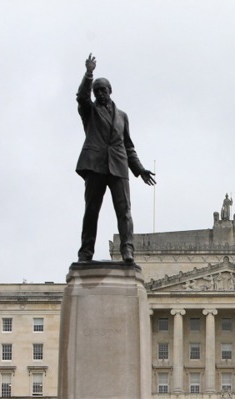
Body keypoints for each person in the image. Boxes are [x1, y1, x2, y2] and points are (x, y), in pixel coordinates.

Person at [75, 53, 155, 264]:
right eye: (97, 91)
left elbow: (128, 145)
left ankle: (127, 249)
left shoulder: (122, 116)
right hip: (95, 165)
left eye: (104, 90)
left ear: (110, 91)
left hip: (118, 166)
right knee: (91, 210)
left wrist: (140, 169)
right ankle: (86, 252)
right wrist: (89, 73)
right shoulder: (89, 111)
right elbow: (81, 97)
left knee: (125, 211)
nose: (100, 93)